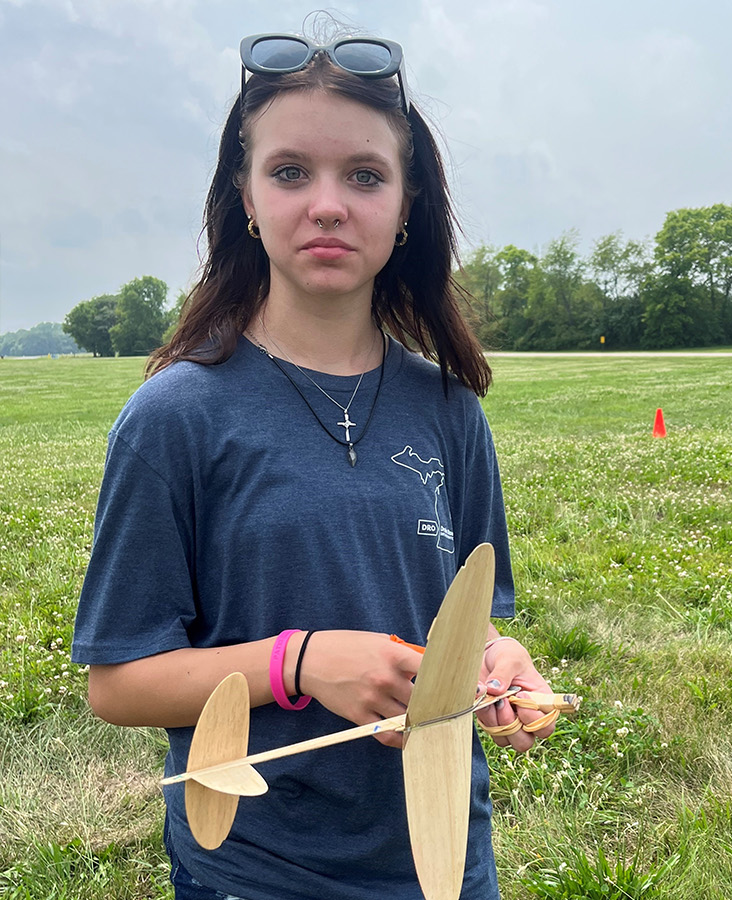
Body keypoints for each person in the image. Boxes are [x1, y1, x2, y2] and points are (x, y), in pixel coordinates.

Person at [71, 29, 555, 900]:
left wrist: (498, 661)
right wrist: (300, 663)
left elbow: (467, 621)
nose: (327, 204)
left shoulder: (449, 408)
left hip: (443, 856)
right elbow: (119, 684)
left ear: (407, 206)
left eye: (365, 176)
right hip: (255, 870)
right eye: (290, 171)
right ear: (246, 198)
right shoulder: (174, 417)